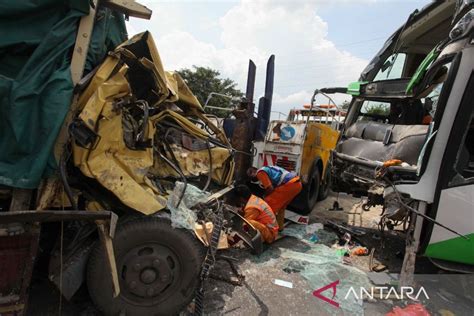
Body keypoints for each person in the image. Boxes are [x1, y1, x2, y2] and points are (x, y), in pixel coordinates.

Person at [247, 165, 302, 230]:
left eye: (251, 177)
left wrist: (264, 196)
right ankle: (280, 227)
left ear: (254, 172)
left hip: (289, 184)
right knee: (281, 207)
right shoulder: (267, 168)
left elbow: (270, 189)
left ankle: (267, 228)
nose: (254, 179)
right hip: (297, 184)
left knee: (268, 205)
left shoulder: (260, 173)